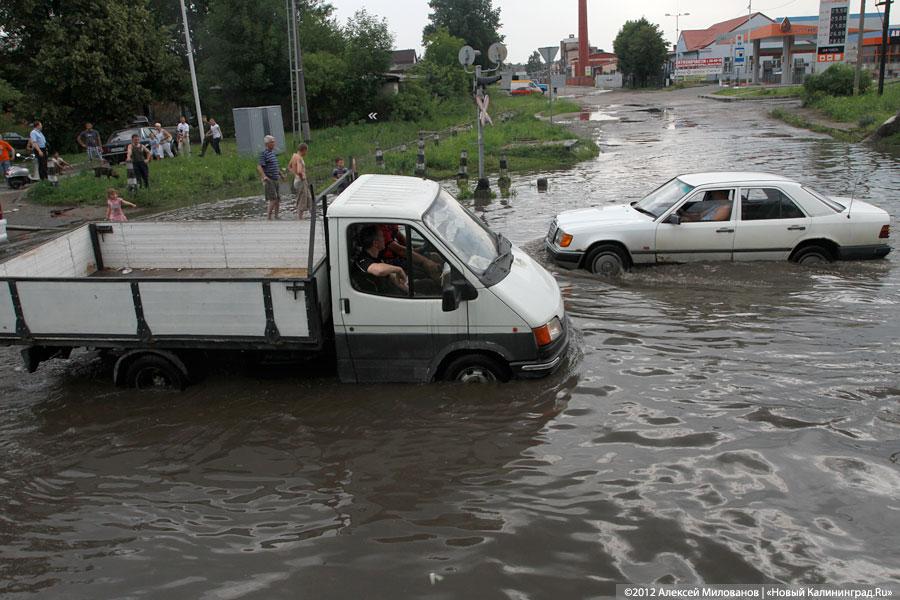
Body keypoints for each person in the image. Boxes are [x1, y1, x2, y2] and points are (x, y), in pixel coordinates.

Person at [354, 225, 409, 295]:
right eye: (382, 236)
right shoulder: (363, 259)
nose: (384, 239)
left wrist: (410, 291)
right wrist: (399, 269)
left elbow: (392, 277)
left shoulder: (377, 257)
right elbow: (379, 270)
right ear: (375, 243)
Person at [257, 135, 282, 220]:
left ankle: (276, 216)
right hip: (269, 179)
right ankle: (269, 217)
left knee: (278, 198)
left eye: (274, 141)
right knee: (273, 199)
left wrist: (281, 174)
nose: (274, 143)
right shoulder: (264, 153)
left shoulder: (272, 153)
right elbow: (259, 166)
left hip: (276, 178)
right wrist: (264, 176)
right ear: (267, 143)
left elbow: (275, 166)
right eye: (272, 142)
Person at [288, 143, 311, 219]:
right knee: (302, 199)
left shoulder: (294, 155)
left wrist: (295, 174)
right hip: (301, 181)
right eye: (306, 151)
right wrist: (301, 177)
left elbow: (289, 167)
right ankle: (300, 218)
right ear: (304, 150)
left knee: (307, 197)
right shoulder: (299, 158)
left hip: (296, 180)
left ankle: (307, 215)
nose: (306, 153)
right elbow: (299, 170)